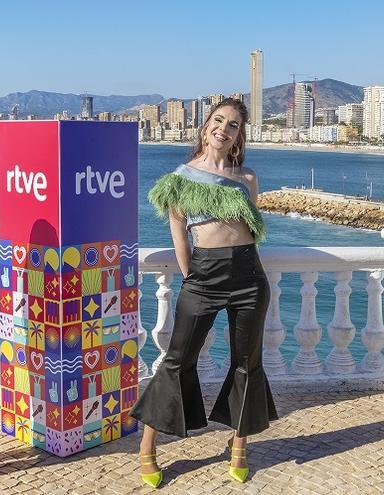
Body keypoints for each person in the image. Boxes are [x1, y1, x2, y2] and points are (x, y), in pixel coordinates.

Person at [130, 98, 277, 487]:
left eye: (232, 125)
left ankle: (240, 444)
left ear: (238, 135)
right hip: (203, 275)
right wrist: (192, 278)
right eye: (218, 120)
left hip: (248, 275)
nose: (223, 129)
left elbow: (251, 231)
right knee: (177, 359)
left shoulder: (247, 178)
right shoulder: (179, 180)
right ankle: (148, 446)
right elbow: (180, 240)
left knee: (247, 362)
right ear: (205, 126)